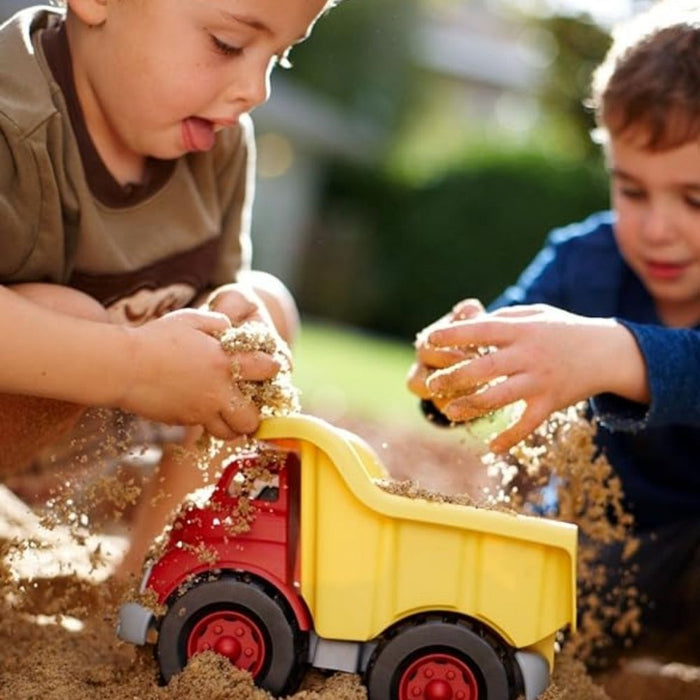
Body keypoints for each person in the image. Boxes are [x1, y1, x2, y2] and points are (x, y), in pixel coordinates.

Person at [0, 0, 335, 576]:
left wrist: (233, 309)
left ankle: (151, 582)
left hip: (80, 452)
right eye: (228, 45)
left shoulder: (219, 146)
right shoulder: (12, 125)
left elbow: (223, 296)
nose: (256, 90)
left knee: (264, 317)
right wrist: (132, 365)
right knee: (67, 312)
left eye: (278, 59)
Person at [408, 0, 700, 647]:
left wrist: (612, 352)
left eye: (695, 199)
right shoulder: (582, 263)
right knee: (497, 613)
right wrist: (448, 369)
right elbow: (490, 358)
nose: (657, 228)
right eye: (631, 190)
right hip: (602, 562)